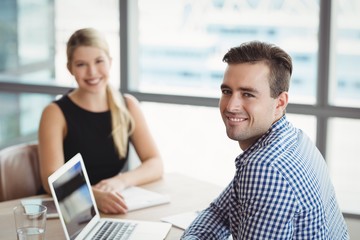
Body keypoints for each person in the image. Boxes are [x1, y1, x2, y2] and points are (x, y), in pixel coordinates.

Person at [181, 41, 349, 239]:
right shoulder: (295, 139)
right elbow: (219, 213)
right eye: (227, 91)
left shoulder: (266, 167)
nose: (231, 106)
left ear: (280, 103)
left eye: (248, 94)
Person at [38, 28, 163, 214]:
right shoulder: (55, 113)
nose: (92, 72)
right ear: (70, 68)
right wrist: (94, 197)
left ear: (110, 62)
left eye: (99, 61)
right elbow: (52, 179)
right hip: (70, 213)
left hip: (109, 207)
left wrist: (121, 181)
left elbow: (155, 163)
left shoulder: (128, 106)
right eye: (81, 64)